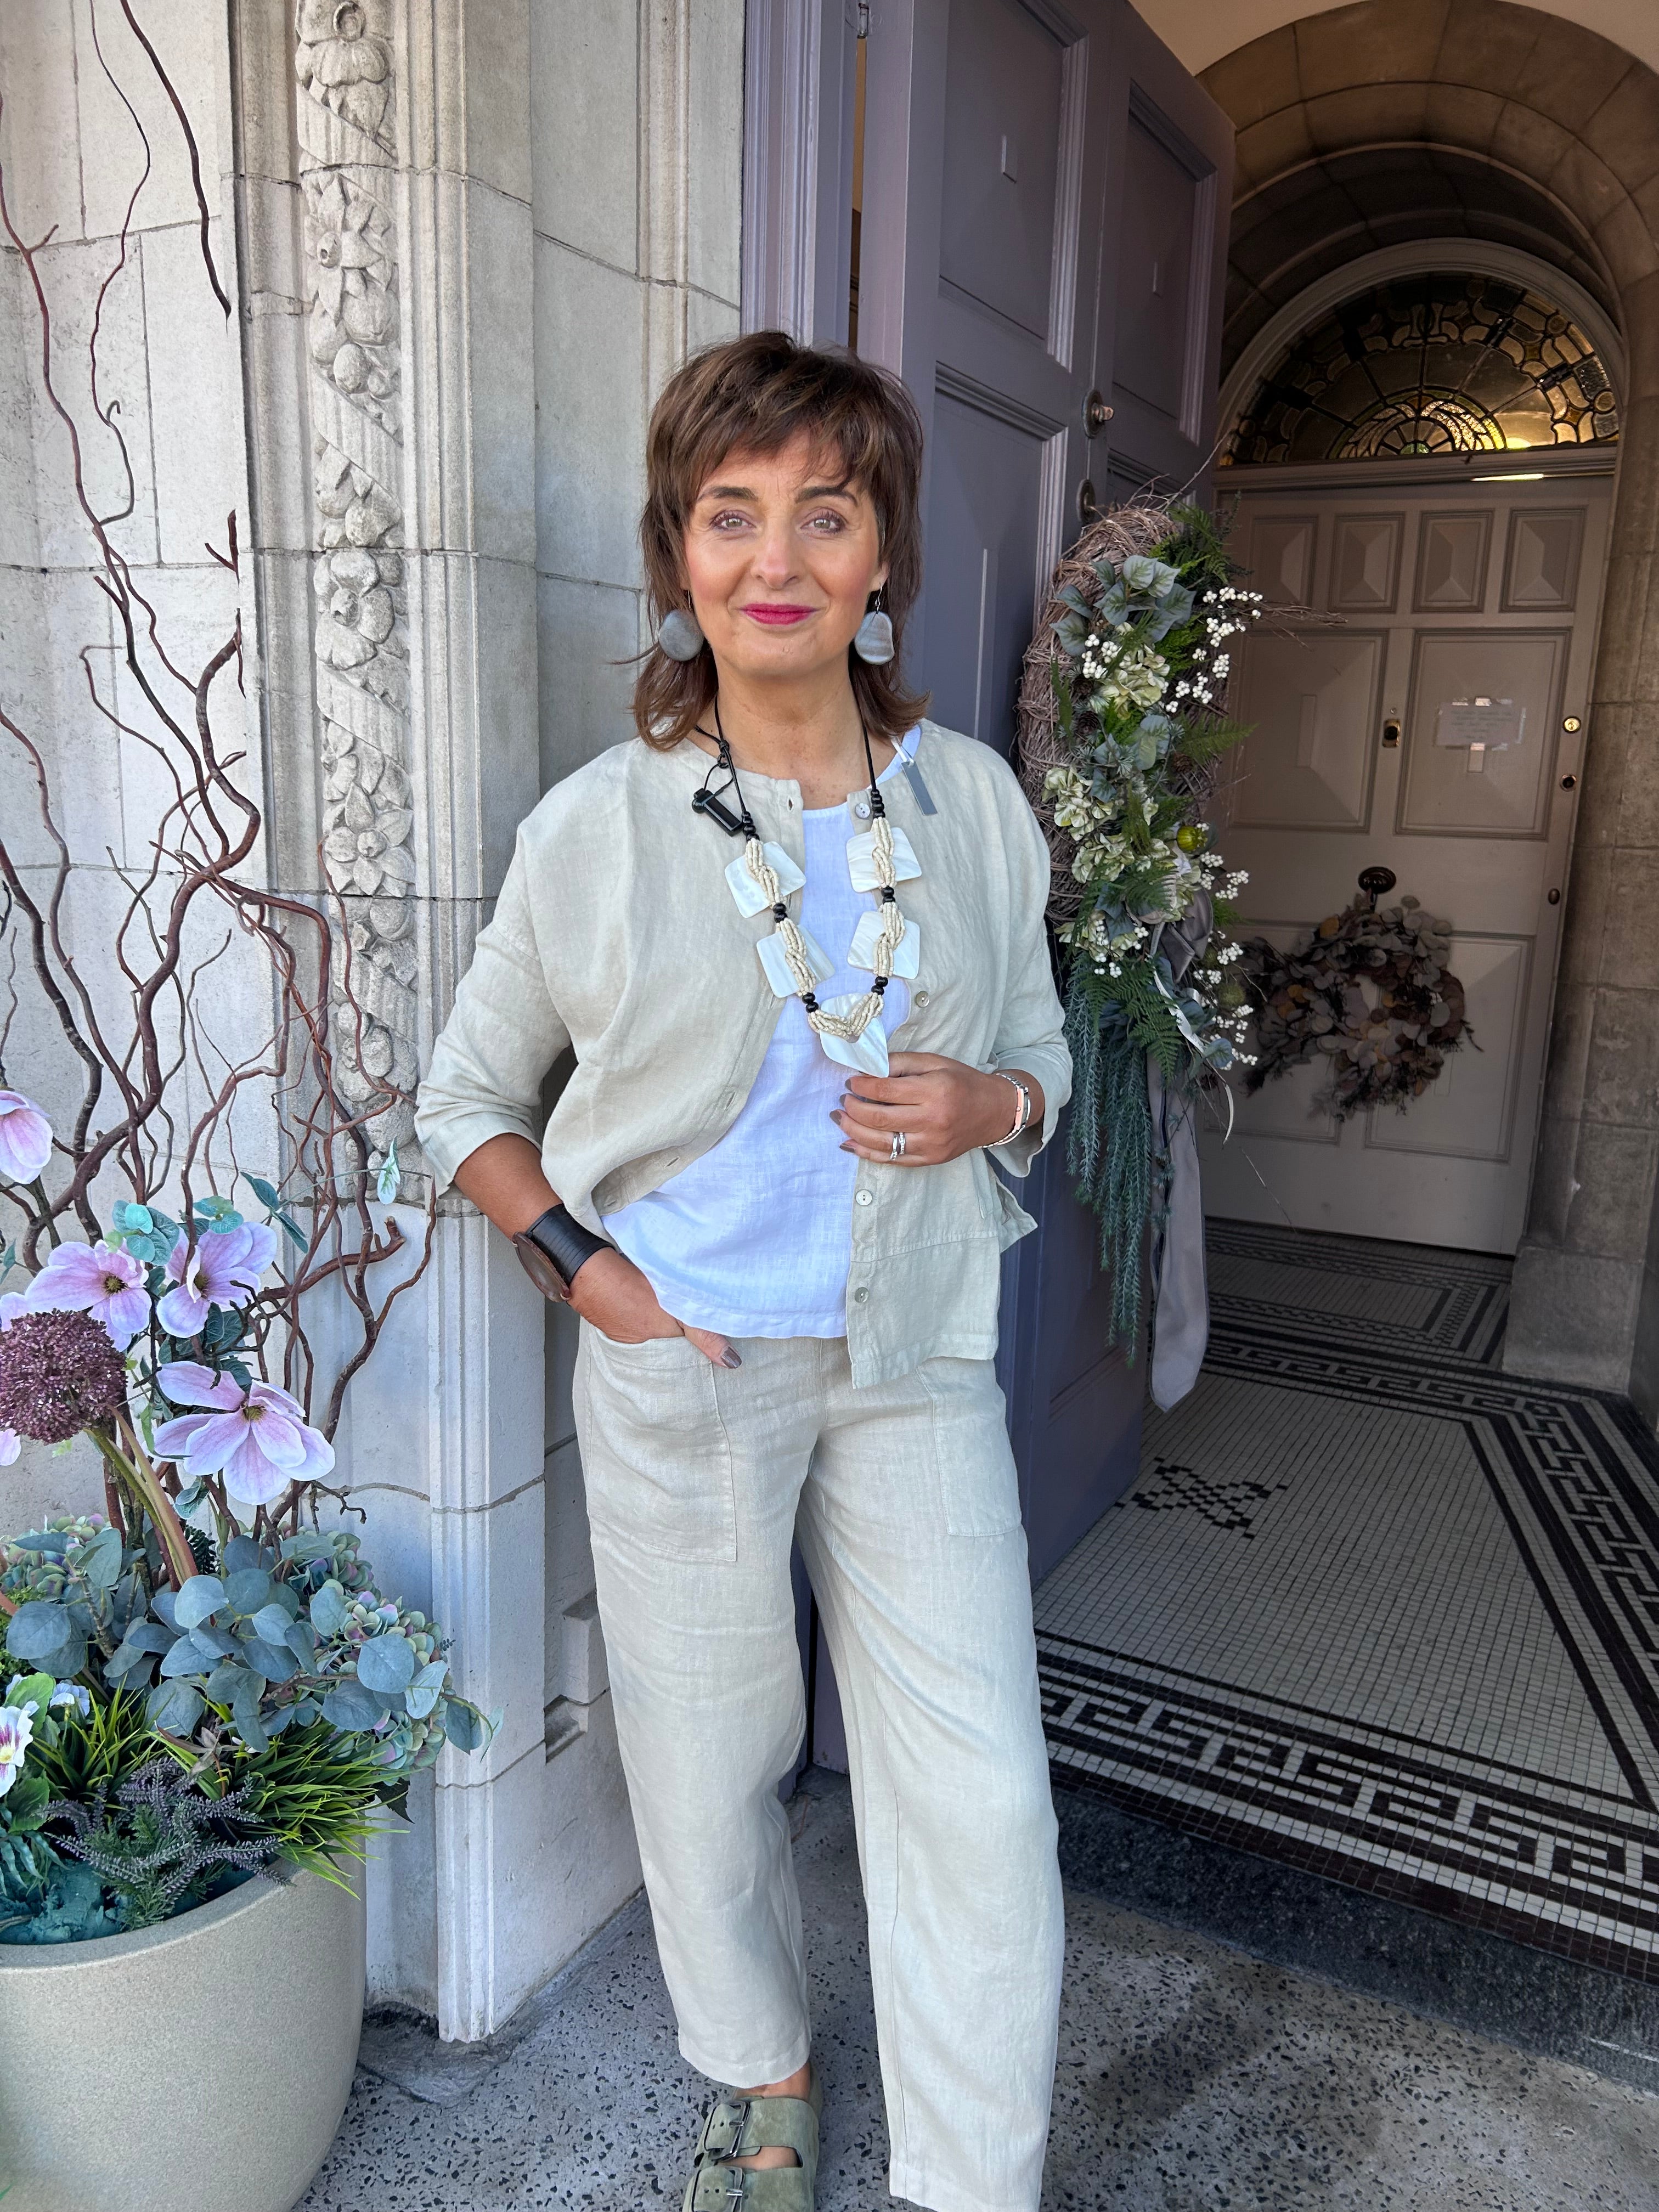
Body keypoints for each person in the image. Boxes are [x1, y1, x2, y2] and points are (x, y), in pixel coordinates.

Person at [415, 330, 1069, 2212]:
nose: (775, 555)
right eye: (731, 513)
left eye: (825, 513)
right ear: (679, 556)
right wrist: (582, 1272)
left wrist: (992, 1098)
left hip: (916, 1353)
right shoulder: (599, 827)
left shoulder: (980, 814)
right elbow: (466, 1100)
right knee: (708, 1771)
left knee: (981, 1791)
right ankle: (761, 2076)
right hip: (683, 1355)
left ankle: (972, 2179)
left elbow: (1052, 1060)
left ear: (881, 566)